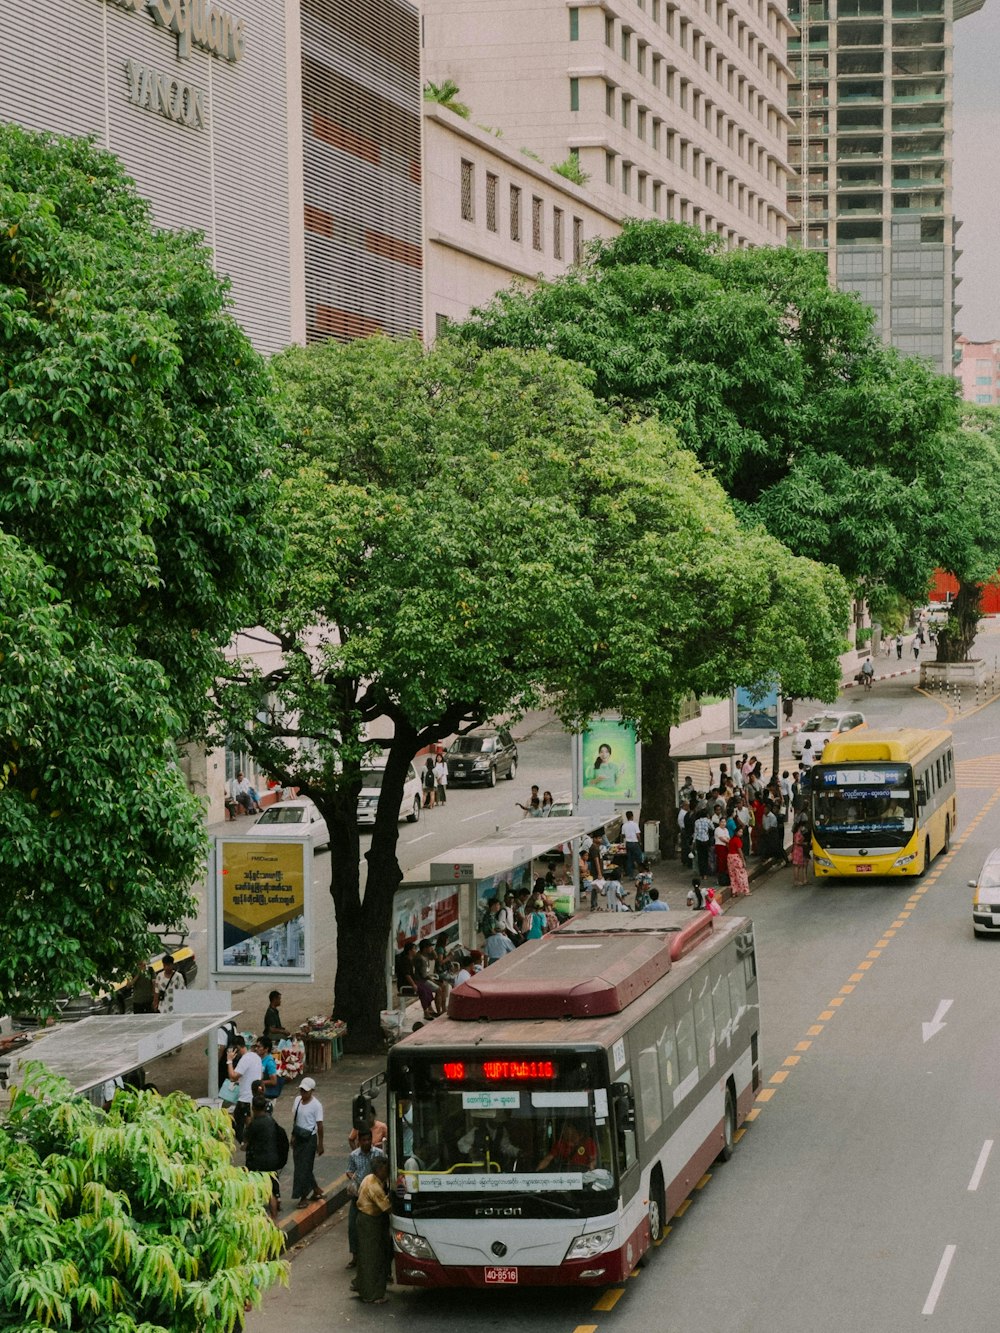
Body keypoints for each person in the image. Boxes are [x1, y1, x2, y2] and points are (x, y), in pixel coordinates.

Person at [353, 1156, 392, 1304]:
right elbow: (387, 1208)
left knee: (365, 1255)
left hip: (364, 1219)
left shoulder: (369, 1178)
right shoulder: (375, 1187)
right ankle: (372, 1294)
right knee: (373, 1258)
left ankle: (363, 1287)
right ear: (380, 1170)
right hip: (371, 1222)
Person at [244, 1095, 287, 1221]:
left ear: (253, 1108)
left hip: (258, 1163)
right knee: (271, 1191)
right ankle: (274, 1218)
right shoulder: (271, 1121)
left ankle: (257, 1217)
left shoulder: (254, 1124)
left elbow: (245, 1142)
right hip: (273, 1160)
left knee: (257, 1190)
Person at [346, 1130, 382, 1267]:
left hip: (374, 1195)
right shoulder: (354, 1155)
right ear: (359, 1142)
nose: (366, 1143)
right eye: (363, 1140)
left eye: (368, 1140)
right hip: (358, 1195)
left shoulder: (378, 1154)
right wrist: (353, 1177)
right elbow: (349, 1170)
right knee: (352, 1226)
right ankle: (355, 1256)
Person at [291, 1077, 325, 1208]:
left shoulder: (317, 1105)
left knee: (304, 1167)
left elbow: (320, 1125)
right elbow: (296, 1119)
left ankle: (303, 1196)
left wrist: (320, 1144)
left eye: (305, 1091)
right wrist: (293, 1136)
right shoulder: (297, 1101)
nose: (303, 1093)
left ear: (312, 1091)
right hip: (299, 1136)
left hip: (309, 1139)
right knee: (301, 1165)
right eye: (301, 1091)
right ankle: (316, 1189)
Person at [227, 1034, 263, 1146]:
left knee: (237, 1123)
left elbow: (233, 1076)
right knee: (249, 1122)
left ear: (237, 1048)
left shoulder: (245, 1059)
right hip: (254, 1095)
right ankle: (251, 1142)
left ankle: (246, 1143)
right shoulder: (256, 1057)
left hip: (245, 1098)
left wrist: (229, 1061)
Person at [727, 829, 751, 897]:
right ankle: (746, 890)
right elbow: (739, 850)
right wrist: (743, 860)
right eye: (740, 832)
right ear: (736, 832)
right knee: (742, 874)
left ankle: (734, 891)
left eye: (742, 832)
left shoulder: (731, 839)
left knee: (732, 874)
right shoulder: (737, 840)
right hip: (736, 857)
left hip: (729, 857)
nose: (741, 833)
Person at [621, 809, 643, 878]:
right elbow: (638, 835)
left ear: (626, 817)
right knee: (639, 858)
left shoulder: (624, 825)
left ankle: (631, 875)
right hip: (635, 843)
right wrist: (640, 842)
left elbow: (623, 835)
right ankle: (642, 873)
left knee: (629, 859)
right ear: (632, 816)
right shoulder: (635, 824)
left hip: (628, 843)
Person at [693, 806, 713, 878]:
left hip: (698, 840)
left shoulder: (697, 821)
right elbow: (712, 828)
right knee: (706, 856)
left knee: (700, 857)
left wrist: (693, 842)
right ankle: (705, 874)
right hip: (706, 840)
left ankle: (701, 872)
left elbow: (695, 832)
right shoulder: (708, 821)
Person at [792, 822, 810, 886]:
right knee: (797, 866)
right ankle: (796, 881)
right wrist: (803, 844)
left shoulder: (797, 834)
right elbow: (797, 842)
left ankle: (797, 880)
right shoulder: (798, 834)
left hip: (798, 850)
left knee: (798, 866)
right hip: (798, 850)